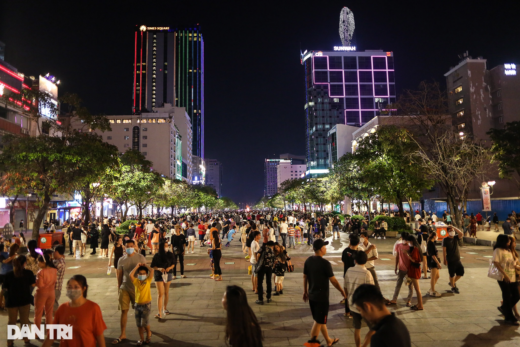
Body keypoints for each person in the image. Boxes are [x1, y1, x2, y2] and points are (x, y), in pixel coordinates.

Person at [43, 275, 107, 347]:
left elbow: (99, 335)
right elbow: (52, 335)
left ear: (84, 289)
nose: (72, 290)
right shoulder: (62, 308)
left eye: (76, 287)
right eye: (69, 287)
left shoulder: (93, 308)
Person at [303, 239, 346, 347]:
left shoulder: (308, 260)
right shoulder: (325, 263)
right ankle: (312, 344)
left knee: (320, 320)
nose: (326, 248)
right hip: (321, 298)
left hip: (312, 295)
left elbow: (305, 277)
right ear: (321, 249)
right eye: (325, 247)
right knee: (319, 321)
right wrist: (342, 291)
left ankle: (328, 340)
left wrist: (305, 291)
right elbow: (334, 281)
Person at [113, 239, 146, 345]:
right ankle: (123, 333)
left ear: (135, 246)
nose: (129, 248)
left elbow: (145, 273)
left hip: (137, 288)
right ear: (124, 247)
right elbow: (119, 274)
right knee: (124, 311)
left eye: (131, 246)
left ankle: (144, 332)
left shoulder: (140, 257)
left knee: (139, 312)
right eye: (127, 246)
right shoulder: (121, 260)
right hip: (124, 287)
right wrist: (119, 286)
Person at [2, 255, 35, 347]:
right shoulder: (28, 273)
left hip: (11, 301)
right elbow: (33, 284)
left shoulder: (8, 275)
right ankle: (26, 338)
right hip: (24, 300)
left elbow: (4, 288)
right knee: (24, 320)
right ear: (24, 263)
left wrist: (6, 298)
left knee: (11, 322)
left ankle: (10, 341)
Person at [344, 252, 374, 347]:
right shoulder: (367, 273)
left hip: (353, 305)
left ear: (355, 261)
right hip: (365, 307)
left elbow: (345, 287)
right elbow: (371, 291)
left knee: (357, 328)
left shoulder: (349, 270)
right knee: (373, 328)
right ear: (365, 261)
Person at [493, 234, 520, 325]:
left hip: (512, 276)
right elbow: (496, 263)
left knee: (516, 295)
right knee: (507, 296)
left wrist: (516, 266)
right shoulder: (498, 250)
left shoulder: (508, 250)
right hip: (503, 277)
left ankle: (505, 308)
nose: (510, 242)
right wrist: (505, 274)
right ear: (503, 241)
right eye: (508, 240)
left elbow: (512, 263)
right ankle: (509, 318)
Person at [129, 262, 154, 345]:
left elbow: (152, 271)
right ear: (138, 274)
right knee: (139, 324)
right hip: (137, 305)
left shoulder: (148, 280)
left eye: (143, 273)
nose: (142, 275)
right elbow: (130, 275)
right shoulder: (136, 281)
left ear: (146, 274)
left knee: (145, 323)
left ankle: (148, 335)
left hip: (146, 305)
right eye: (140, 273)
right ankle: (141, 338)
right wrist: (137, 266)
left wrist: (145, 265)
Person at [151, 240, 175, 318]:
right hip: (158, 275)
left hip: (168, 274)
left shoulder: (170, 254)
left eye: (167, 245)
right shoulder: (157, 255)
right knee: (160, 293)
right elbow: (153, 266)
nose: (166, 247)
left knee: (166, 292)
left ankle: (165, 308)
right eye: (165, 245)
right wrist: (159, 268)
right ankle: (159, 312)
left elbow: (173, 264)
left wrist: (169, 268)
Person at [387, 233, 413, 306]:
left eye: (406, 239)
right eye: (403, 238)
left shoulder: (411, 247)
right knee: (398, 284)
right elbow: (397, 256)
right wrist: (396, 267)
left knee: (410, 285)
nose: (404, 240)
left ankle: (409, 300)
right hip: (401, 268)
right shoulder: (398, 245)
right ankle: (394, 299)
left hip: (409, 269)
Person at [34, 253, 58, 328]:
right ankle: (49, 332)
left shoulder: (41, 272)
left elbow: (40, 285)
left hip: (42, 293)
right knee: (49, 313)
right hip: (51, 292)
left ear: (43, 262)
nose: (37, 264)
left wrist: (35, 283)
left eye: (38, 262)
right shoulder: (54, 270)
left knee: (38, 313)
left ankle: (36, 333)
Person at [404, 235, 424, 311]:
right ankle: (419, 304)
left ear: (411, 241)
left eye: (408, 241)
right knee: (416, 288)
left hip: (415, 269)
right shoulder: (416, 247)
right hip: (414, 269)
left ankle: (420, 305)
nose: (407, 243)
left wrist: (407, 254)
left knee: (417, 289)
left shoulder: (415, 249)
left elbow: (414, 260)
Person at [442, 225, 464, 294]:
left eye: (453, 230)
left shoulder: (455, 238)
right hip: (450, 260)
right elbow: (444, 250)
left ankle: (452, 282)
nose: (452, 232)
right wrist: (444, 259)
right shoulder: (445, 240)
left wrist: (454, 227)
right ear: (447, 232)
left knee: (461, 272)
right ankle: (453, 287)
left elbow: (461, 234)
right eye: (450, 230)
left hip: (457, 260)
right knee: (452, 275)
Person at [426, 232, 442, 297]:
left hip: (433, 261)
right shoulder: (431, 244)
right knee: (433, 277)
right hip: (433, 262)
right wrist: (438, 263)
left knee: (437, 276)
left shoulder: (431, 243)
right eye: (437, 235)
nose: (437, 237)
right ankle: (432, 290)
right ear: (434, 236)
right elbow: (433, 255)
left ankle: (431, 289)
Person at [53, 245, 66, 312]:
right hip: (54, 286)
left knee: (53, 304)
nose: (53, 253)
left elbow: (53, 273)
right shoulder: (57, 261)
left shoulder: (60, 263)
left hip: (55, 287)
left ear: (57, 252)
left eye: (54, 251)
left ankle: (55, 319)